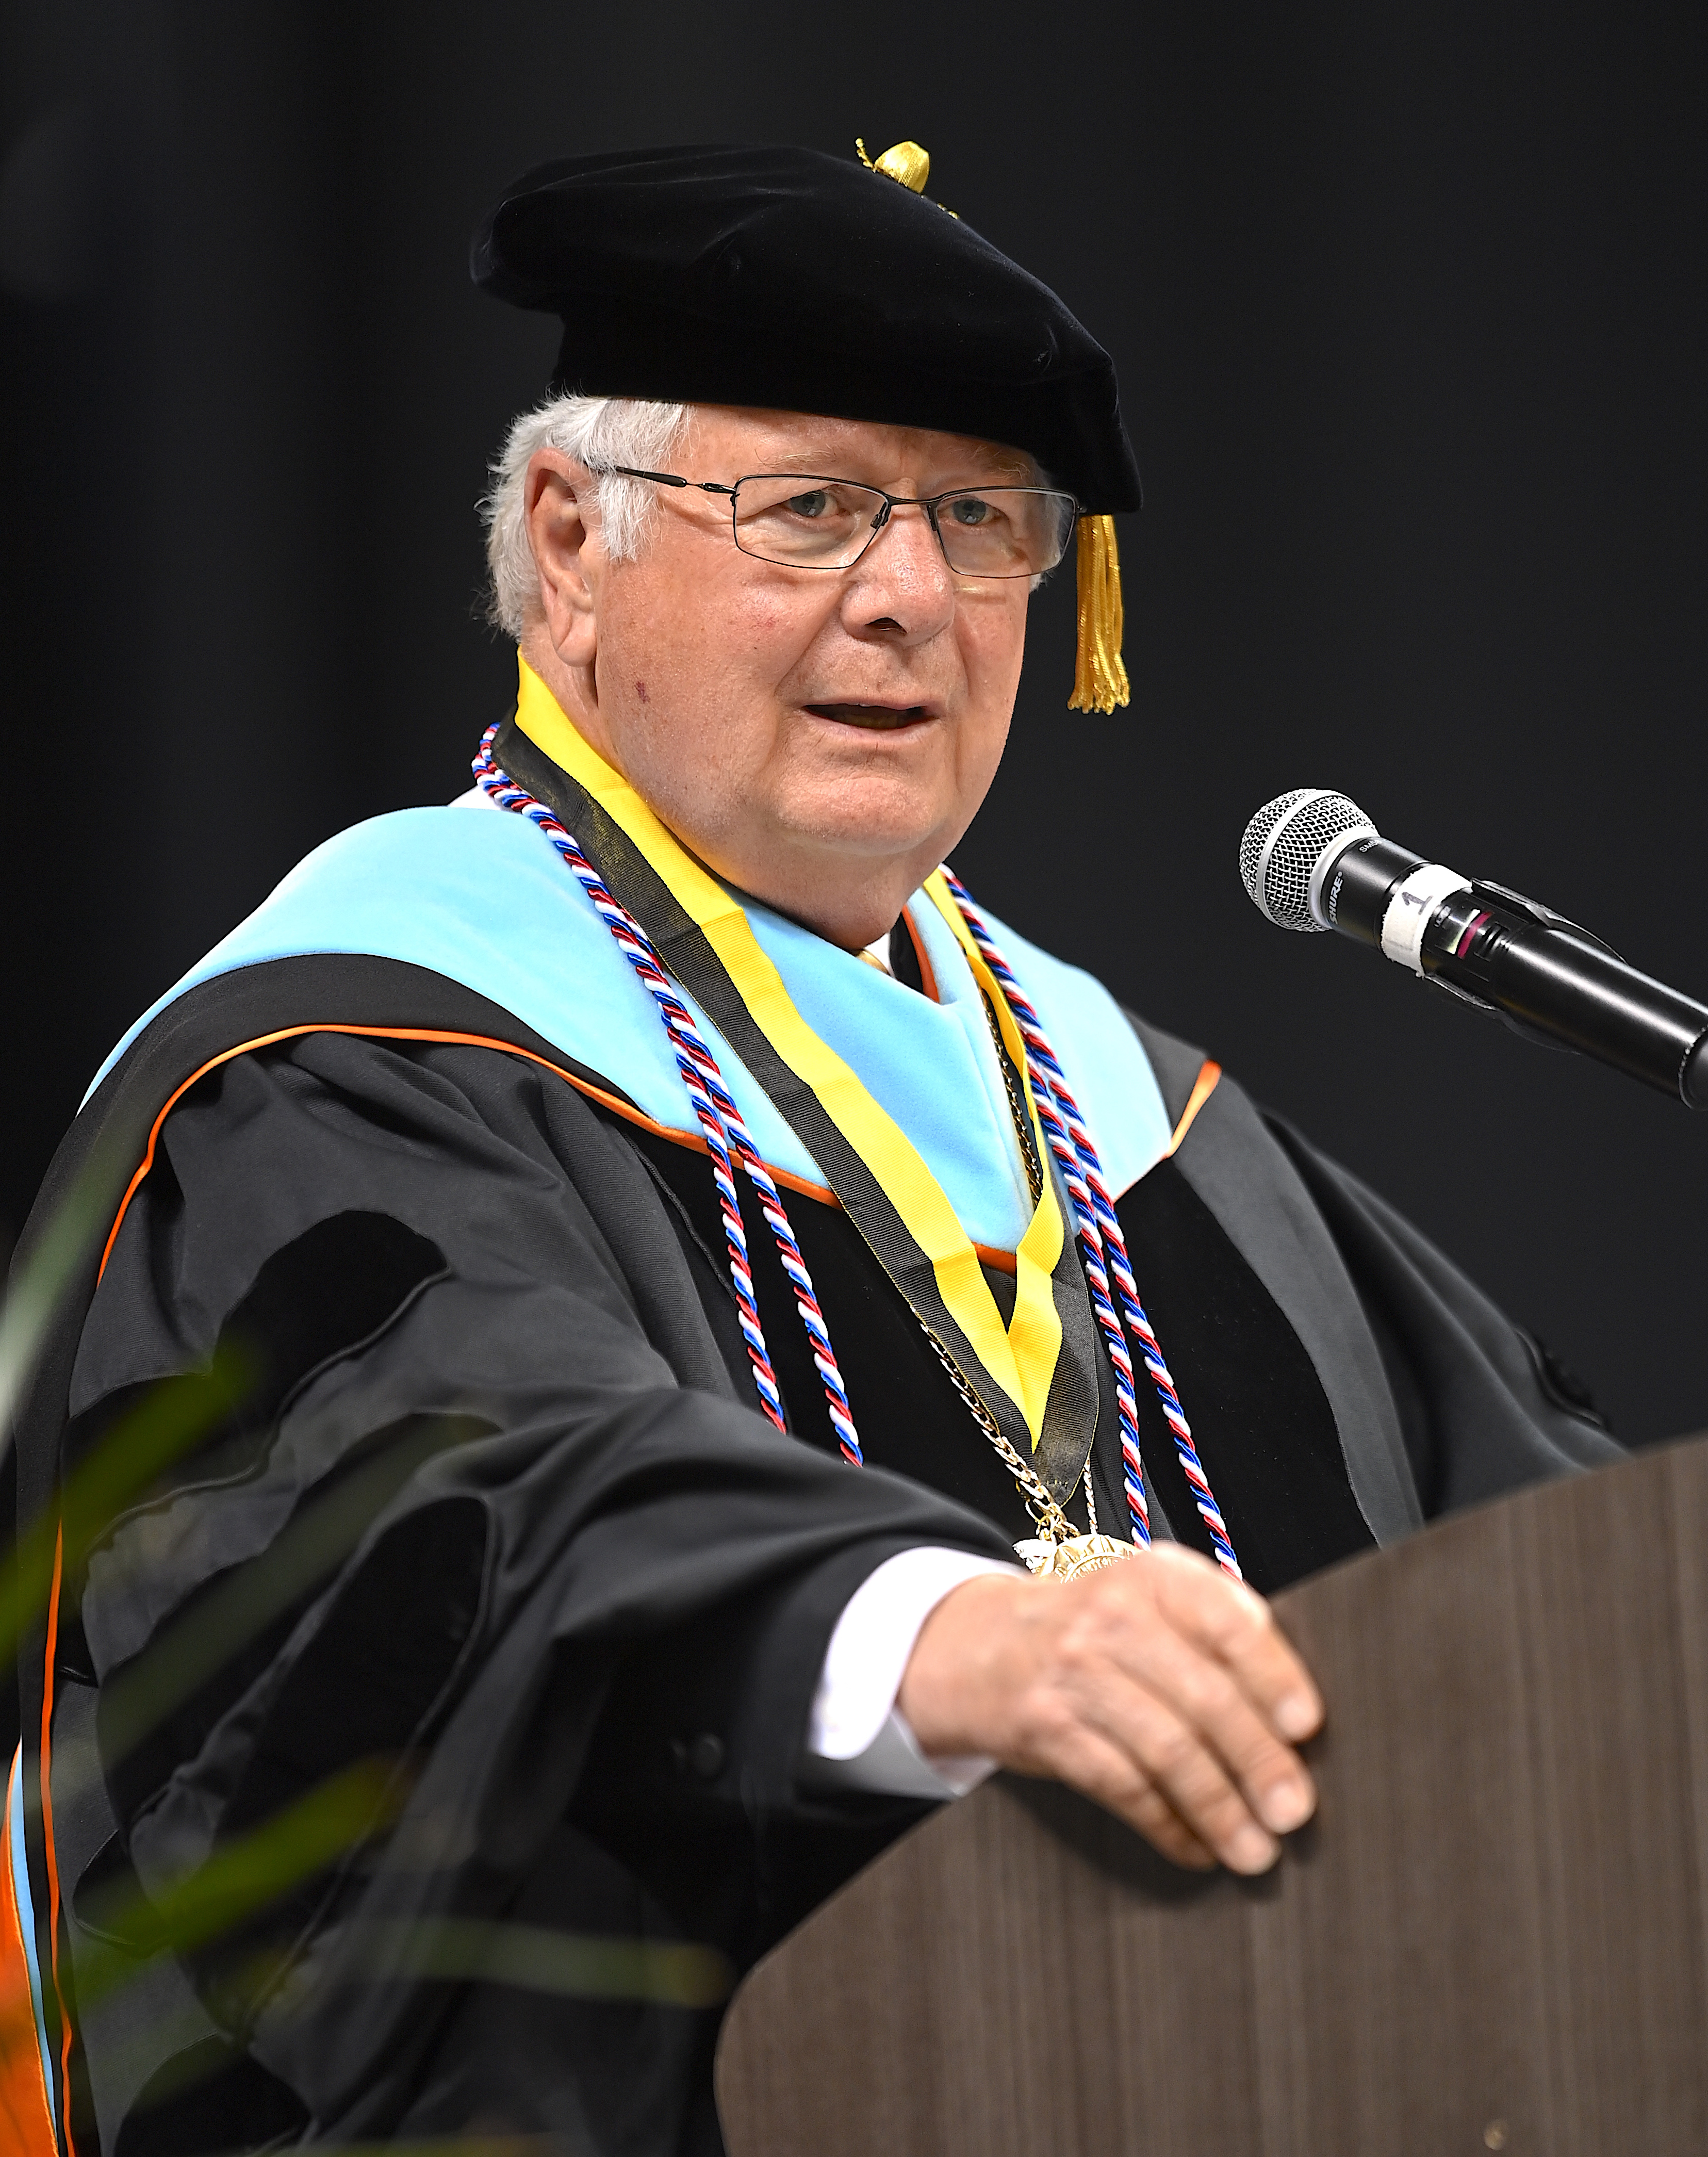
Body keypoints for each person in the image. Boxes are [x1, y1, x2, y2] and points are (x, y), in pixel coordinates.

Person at [1, 142, 1620, 2155]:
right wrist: (934, 1636)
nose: (912, 595)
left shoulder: (1142, 1122)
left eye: (982, 520)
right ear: (568, 546)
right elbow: (444, 1515)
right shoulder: (351, 1059)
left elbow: (1562, 1589)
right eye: (815, 508)